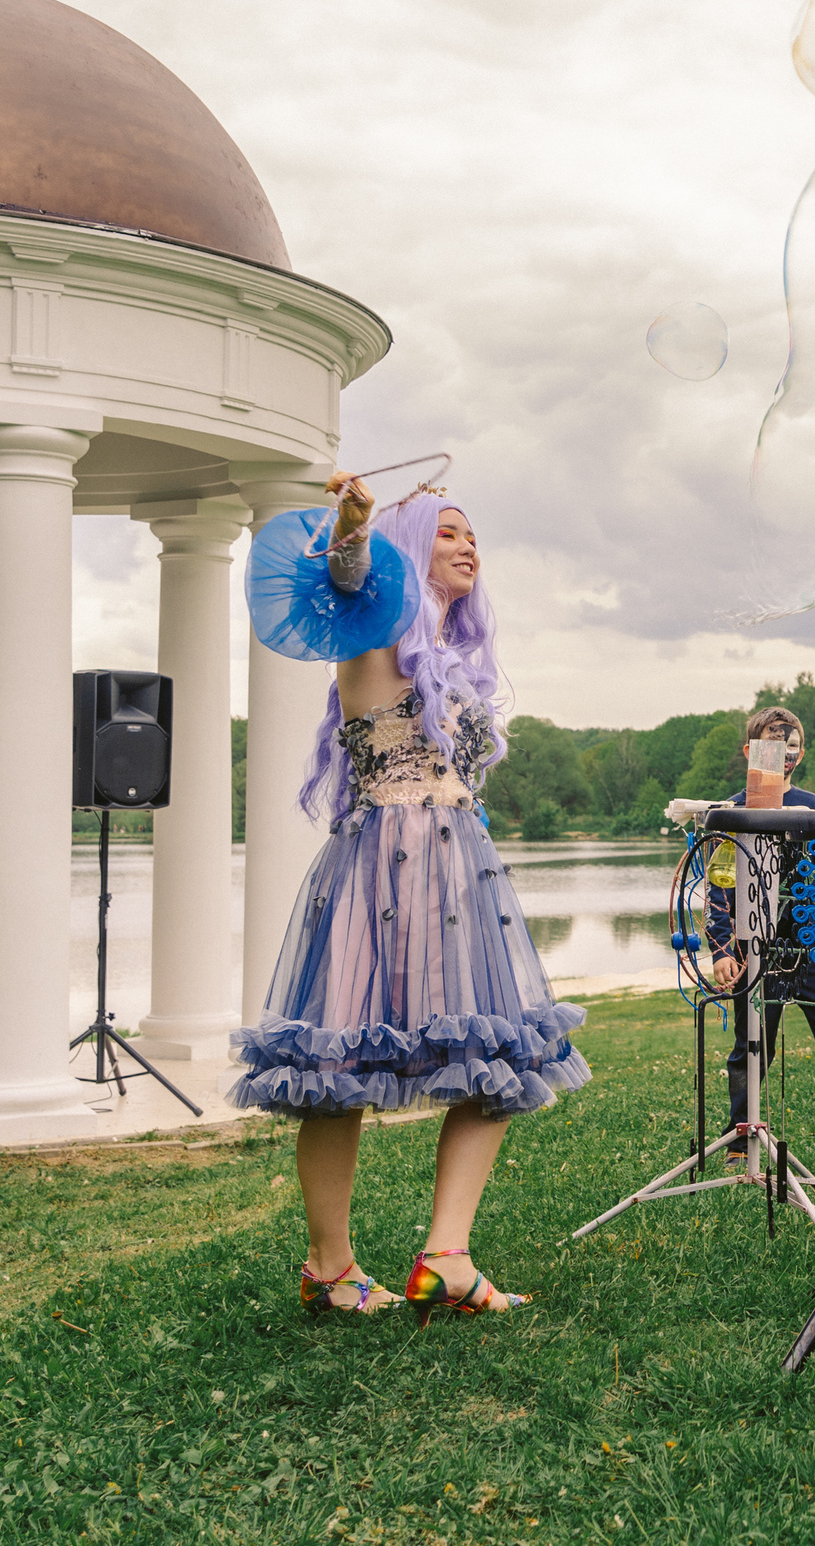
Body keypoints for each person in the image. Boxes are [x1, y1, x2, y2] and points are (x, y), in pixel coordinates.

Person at [232, 471, 588, 1321]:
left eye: (474, 537)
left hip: (461, 866)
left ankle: (448, 1256)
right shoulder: (369, 624)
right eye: (450, 532)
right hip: (383, 865)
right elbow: (348, 573)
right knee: (338, 1064)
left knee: (496, 1059)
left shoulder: (448, 658)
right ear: (410, 542)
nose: (470, 547)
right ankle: (330, 1265)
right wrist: (356, 526)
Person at [706, 707, 815, 1168]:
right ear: (750, 751)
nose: (781, 753)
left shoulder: (813, 808)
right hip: (754, 951)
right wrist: (723, 949)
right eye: (770, 744)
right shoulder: (733, 811)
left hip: (812, 950)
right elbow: (719, 889)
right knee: (749, 1050)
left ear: (799, 754)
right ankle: (738, 1140)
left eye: (790, 746)